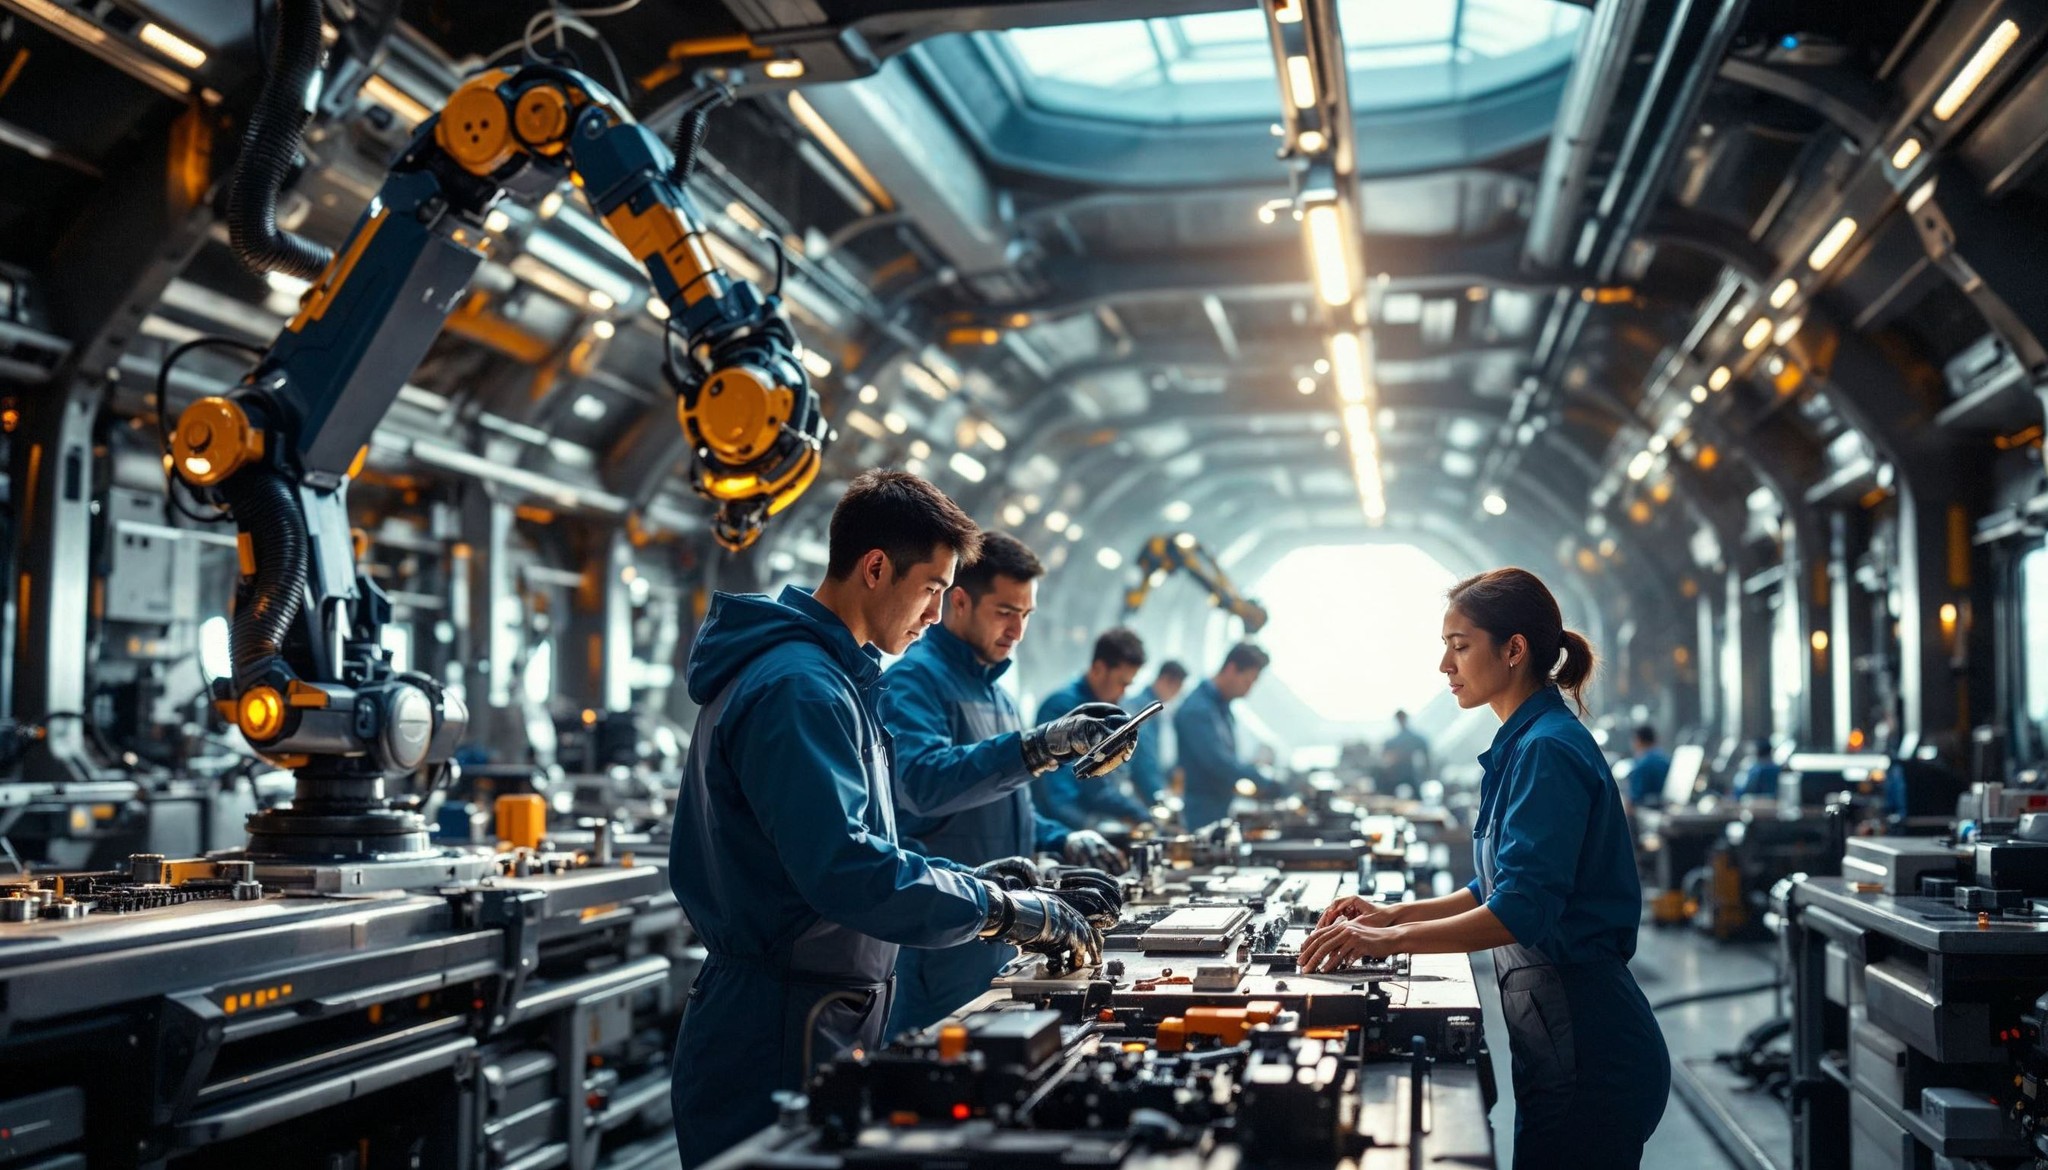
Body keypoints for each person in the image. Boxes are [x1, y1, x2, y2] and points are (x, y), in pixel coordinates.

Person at [667, 472, 1117, 1168]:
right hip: (777, 1026)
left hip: (817, 1009)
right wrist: (998, 908)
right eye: (935, 588)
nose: (937, 613)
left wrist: (966, 879)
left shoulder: (834, 679)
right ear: (875, 568)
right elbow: (847, 868)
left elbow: (874, 839)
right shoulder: (800, 687)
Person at [1298, 568, 1668, 1170]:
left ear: (1514, 649)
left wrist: (1387, 939)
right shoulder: (1523, 745)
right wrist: (1392, 914)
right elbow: (1491, 887)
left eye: (1460, 646)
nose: (1445, 666)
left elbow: (1522, 909)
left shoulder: (1546, 749)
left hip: (1590, 1048)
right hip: (1555, 1039)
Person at [879, 531, 1137, 1034]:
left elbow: (1003, 804)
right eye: (1004, 612)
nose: (1017, 630)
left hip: (1002, 925)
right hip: (944, 937)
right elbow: (922, 782)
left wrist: (1062, 837)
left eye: (1026, 615)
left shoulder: (998, 693)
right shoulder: (915, 681)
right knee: (930, 1077)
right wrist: (1036, 747)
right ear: (958, 602)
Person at [1033, 629, 1155, 828]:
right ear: (1098, 669)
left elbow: (1103, 784)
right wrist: (1095, 828)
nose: (1123, 693)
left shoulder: (1105, 711)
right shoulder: (1061, 709)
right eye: (1121, 683)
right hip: (1058, 833)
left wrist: (1140, 813)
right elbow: (1058, 795)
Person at [1173, 643, 1273, 830]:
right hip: (1200, 813)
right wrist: (1264, 781)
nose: (1249, 690)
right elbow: (1218, 762)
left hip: (1219, 807)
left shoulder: (1222, 708)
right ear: (1231, 669)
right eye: (1247, 681)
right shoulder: (1198, 709)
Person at [1124, 661, 1188, 807]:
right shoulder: (1142, 709)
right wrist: (1159, 797)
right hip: (1139, 791)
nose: (1176, 695)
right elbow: (1145, 761)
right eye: (1176, 689)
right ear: (1165, 680)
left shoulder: (1161, 710)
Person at [1380, 708, 1432, 791]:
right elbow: (1385, 759)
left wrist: (1426, 775)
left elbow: (1427, 756)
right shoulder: (1392, 741)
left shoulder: (1415, 738)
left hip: (1411, 775)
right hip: (1396, 776)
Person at [1627, 725, 1671, 808]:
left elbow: (1633, 798)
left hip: (1646, 812)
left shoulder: (1642, 764)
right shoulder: (1666, 760)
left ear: (1638, 740)